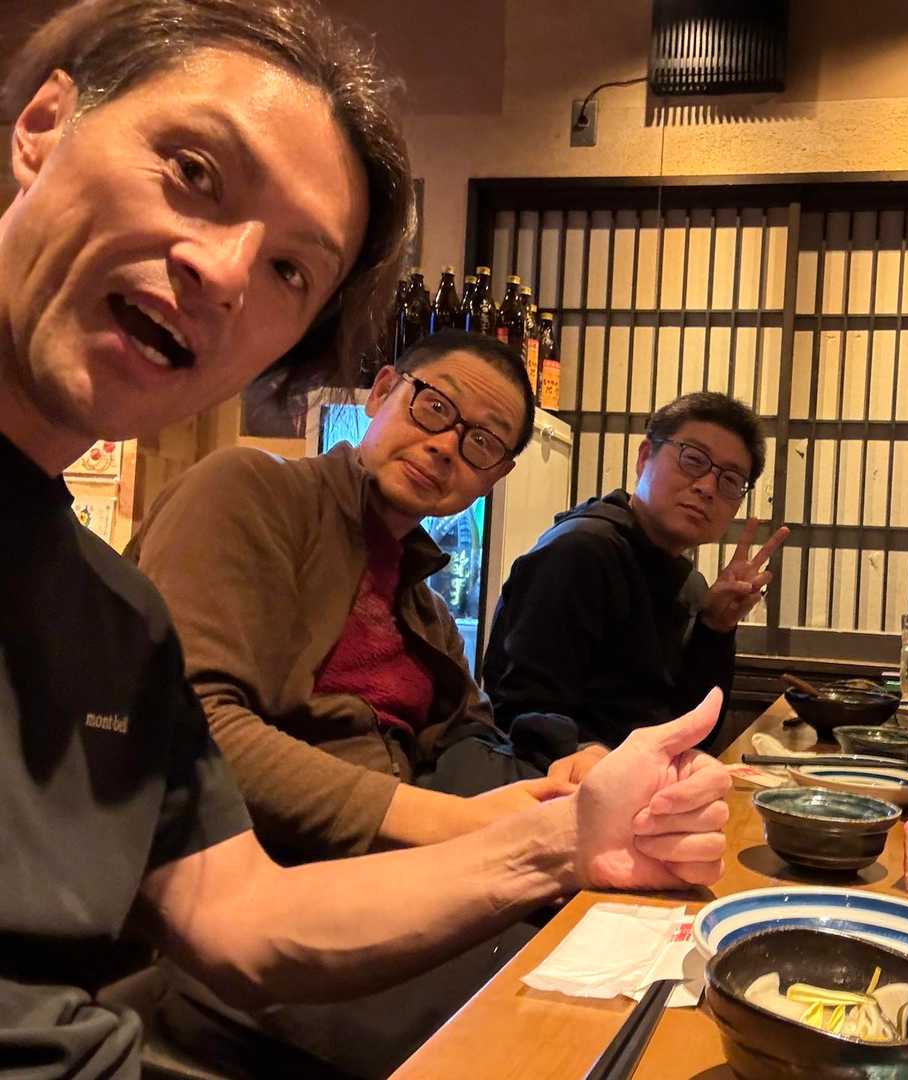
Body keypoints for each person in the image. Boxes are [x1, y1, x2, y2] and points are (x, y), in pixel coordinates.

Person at [0, 2, 730, 1077]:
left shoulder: (118, 615)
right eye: (196, 172)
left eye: (293, 271)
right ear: (42, 124)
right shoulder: (252, 492)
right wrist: (477, 829)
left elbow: (236, 909)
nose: (227, 271)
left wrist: (560, 837)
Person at [129, 331, 603, 867]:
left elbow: (470, 736)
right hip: (246, 877)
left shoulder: (426, 611)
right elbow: (189, 724)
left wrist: (568, 762)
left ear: (496, 476)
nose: (445, 446)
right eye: (434, 407)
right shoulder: (246, 491)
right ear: (381, 392)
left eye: (482, 442)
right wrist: (452, 823)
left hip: (398, 875)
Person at [483, 391, 789, 769]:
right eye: (693, 460)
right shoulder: (581, 551)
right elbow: (522, 715)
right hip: (562, 790)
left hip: (646, 786)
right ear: (645, 457)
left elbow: (689, 728)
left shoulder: (689, 582)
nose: (707, 487)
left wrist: (714, 628)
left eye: (729, 480)